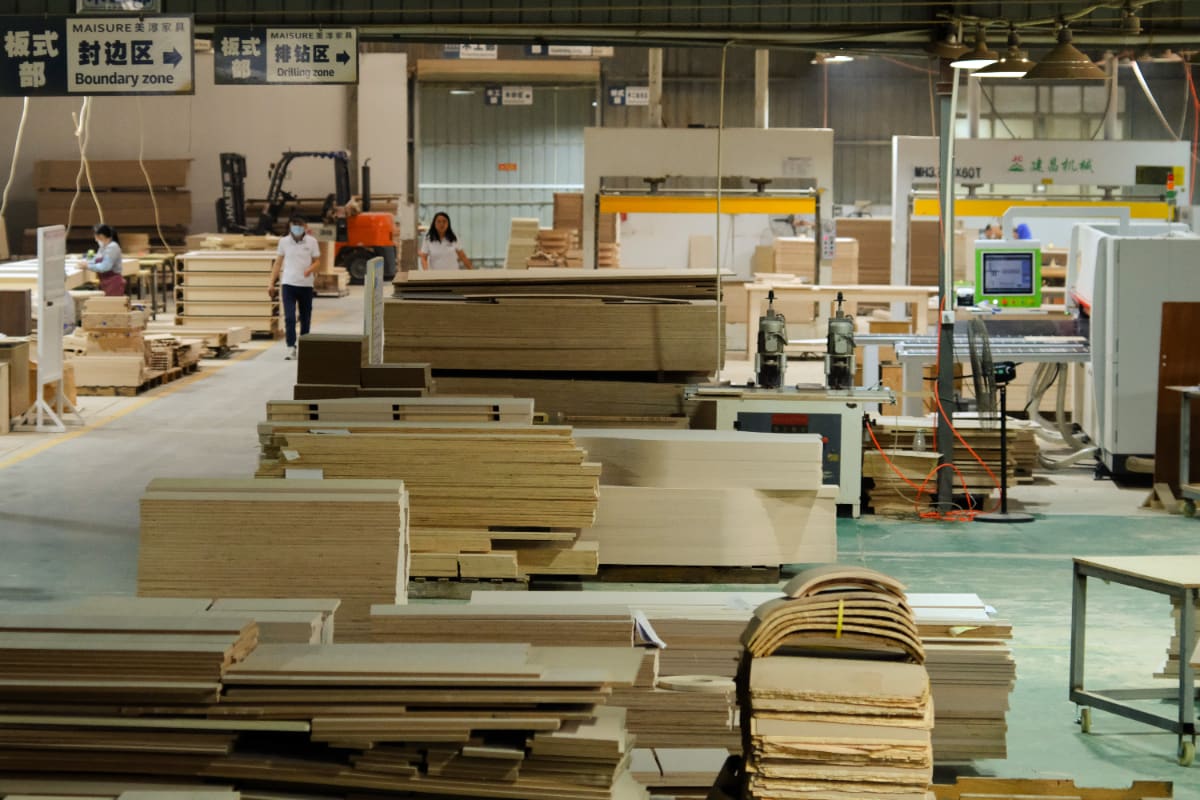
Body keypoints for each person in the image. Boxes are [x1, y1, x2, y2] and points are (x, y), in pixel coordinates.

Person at [268, 214, 321, 360]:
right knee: (290, 318)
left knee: (305, 317)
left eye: (299, 226)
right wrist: (271, 283)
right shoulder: (284, 242)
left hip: (306, 285)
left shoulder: (312, 242)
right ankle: (291, 347)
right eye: (294, 226)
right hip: (288, 285)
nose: (297, 229)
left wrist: (310, 269)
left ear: (305, 227)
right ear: (290, 227)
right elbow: (278, 263)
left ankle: (304, 346)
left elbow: (317, 261)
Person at [82, 223, 125, 297]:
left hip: (113, 283)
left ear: (103, 236)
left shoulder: (112, 247)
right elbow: (96, 259)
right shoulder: (103, 247)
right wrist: (87, 262)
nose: (96, 239)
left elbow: (105, 267)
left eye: (97, 237)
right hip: (105, 282)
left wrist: (88, 266)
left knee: (112, 303)